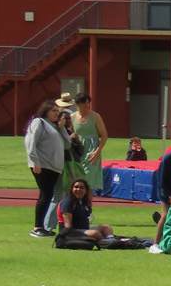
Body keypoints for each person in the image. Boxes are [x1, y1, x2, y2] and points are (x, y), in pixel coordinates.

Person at [25, 99, 68, 237]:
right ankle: (37, 227)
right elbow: (30, 142)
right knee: (45, 194)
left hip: (55, 167)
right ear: (46, 111)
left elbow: (67, 144)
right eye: (53, 111)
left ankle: (42, 226)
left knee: (48, 195)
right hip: (43, 165)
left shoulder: (55, 126)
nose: (56, 113)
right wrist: (34, 161)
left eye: (57, 111)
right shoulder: (39, 122)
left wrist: (62, 128)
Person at [70, 93, 108, 191]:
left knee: (89, 180)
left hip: (92, 150)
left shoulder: (95, 116)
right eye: (84, 103)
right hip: (78, 150)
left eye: (88, 103)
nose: (87, 105)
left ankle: (88, 199)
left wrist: (97, 151)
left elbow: (104, 135)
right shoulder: (72, 117)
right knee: (78, 179)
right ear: (77, 104)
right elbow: (69, 134)